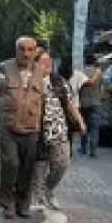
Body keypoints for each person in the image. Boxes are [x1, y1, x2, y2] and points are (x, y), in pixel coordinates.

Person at [0, 36, 46, 219]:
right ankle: (8, 202)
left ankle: (23, 203)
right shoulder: (3, 68)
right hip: (7, 126)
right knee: (10, 163)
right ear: (16, 50)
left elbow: (43, 98)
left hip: (31, 126)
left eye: (30, 50)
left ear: (36, 51)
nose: (26, 54)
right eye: (22, 49)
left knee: (27, 167)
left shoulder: (41, 71)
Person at [32, 50, 85, 211]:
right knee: (39, 167)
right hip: (38, 131)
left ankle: (48, 189)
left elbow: (70, 103)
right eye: (42, 61)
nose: (47, 64)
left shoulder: (59, 81)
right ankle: (40, 196)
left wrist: (80, 121)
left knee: (62, 163)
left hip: (59, 129)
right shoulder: (30, 82)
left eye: (49, 61)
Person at [77, 59, 105, 157]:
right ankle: (93, 150)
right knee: (94, 128)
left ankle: (83, 148)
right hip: (96, 103)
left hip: (84, 103)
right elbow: (102, 87)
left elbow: (78, 87)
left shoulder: (81, 72)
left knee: (84, 126)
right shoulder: (99, 73)